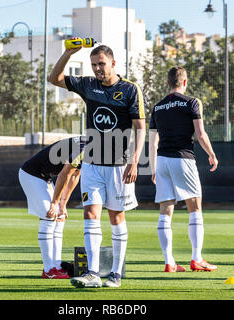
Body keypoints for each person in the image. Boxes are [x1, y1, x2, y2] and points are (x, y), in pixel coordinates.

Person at [48, 43, 146, 288]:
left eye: (101, 64)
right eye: (93, 65)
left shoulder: (130, 89)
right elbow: (54, 78)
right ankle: (92, 273)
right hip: (91, 163)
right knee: (90, 213)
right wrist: (69, 54)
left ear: (113, 63)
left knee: (116, 217)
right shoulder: (88, 84)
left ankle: (115, 274)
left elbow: (140, 128)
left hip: (118, 166)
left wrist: (134, 161)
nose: (97, 69)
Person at [149, 66, 218, 273]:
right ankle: (196, 259)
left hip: (161, 160)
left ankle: (169, 262)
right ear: (185, 83)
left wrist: (153, 169)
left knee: (165, 211)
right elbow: (200, 133)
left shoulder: (158, 107)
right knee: (195, 207)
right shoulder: (192, 103)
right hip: (183, 158)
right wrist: (212, 154)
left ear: (168, 83)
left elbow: (152, 143)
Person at [19, 136, 86, 279]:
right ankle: (49, 270)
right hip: (31, 174)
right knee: (48, 215)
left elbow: (75, 175)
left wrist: (63, 203)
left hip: (44, 177)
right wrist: (55, 202)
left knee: (60, 217)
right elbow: (64, 175)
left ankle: (56, 266)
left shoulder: (94, 147)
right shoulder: (85, 148)